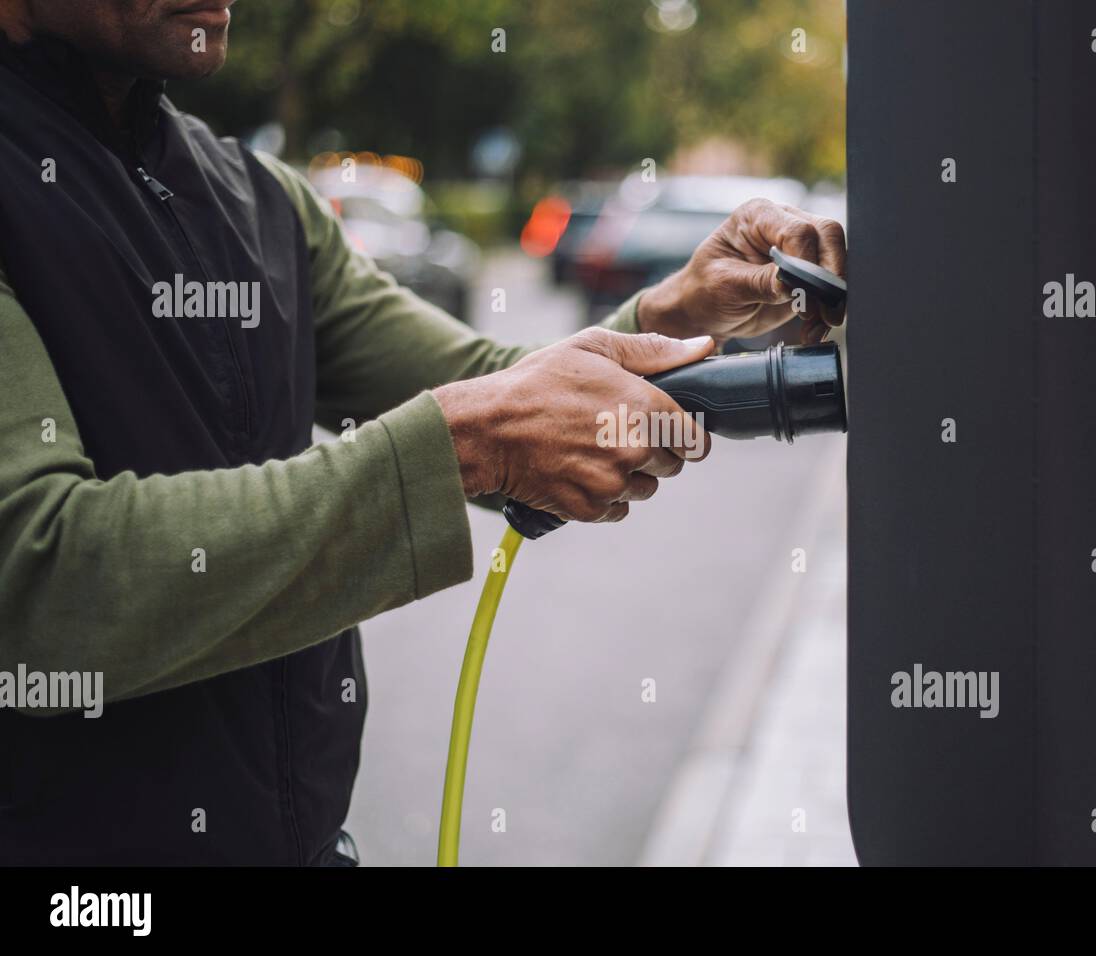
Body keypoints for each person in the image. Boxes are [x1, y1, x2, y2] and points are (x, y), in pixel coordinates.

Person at [0, 0, 846, 864]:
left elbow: (486, 379)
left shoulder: (259, 203)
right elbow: (41, 578)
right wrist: (464, 446)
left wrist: (673, 314)